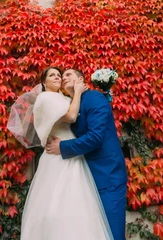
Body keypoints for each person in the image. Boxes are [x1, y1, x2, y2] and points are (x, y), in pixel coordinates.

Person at [20, 67, 113, 240]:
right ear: (43, 82)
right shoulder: (45, 98)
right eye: (52, 75)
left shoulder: (62, 98)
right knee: (57, 206)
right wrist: (77, 92)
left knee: (79, 204)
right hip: (58, 154)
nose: (57, 77)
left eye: (59, 75)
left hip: (72, 152)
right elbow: (71, 117)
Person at [46, 68, 128, 240]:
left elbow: (96, 137)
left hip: (107, 176)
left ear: (81, 80)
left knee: (112, 233)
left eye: (69, 74)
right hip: (85, 177)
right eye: (63, 76)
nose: (63, 78)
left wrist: (62, 147)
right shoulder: (71, 104)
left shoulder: (94, 98)